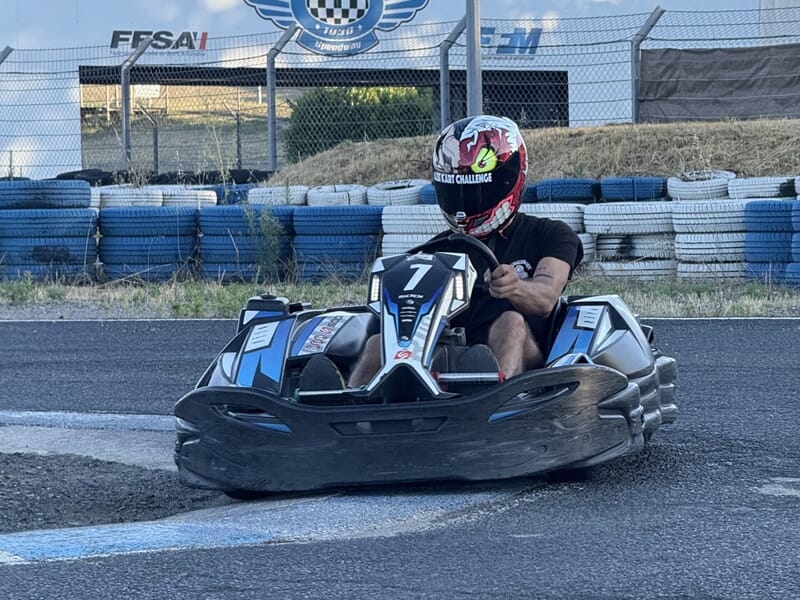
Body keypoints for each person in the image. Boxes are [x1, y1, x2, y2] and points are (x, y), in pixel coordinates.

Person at [344, 115, 583, 388]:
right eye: (457, 192)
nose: (465, 204)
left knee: (510, 323)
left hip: (530, 359)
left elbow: (546, 298)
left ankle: (497, 398)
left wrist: (515, 287)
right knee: (378, 343)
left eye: (478, 191)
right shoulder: (438, 249)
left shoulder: (551, 234)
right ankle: (351, 400)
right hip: (451, 353)